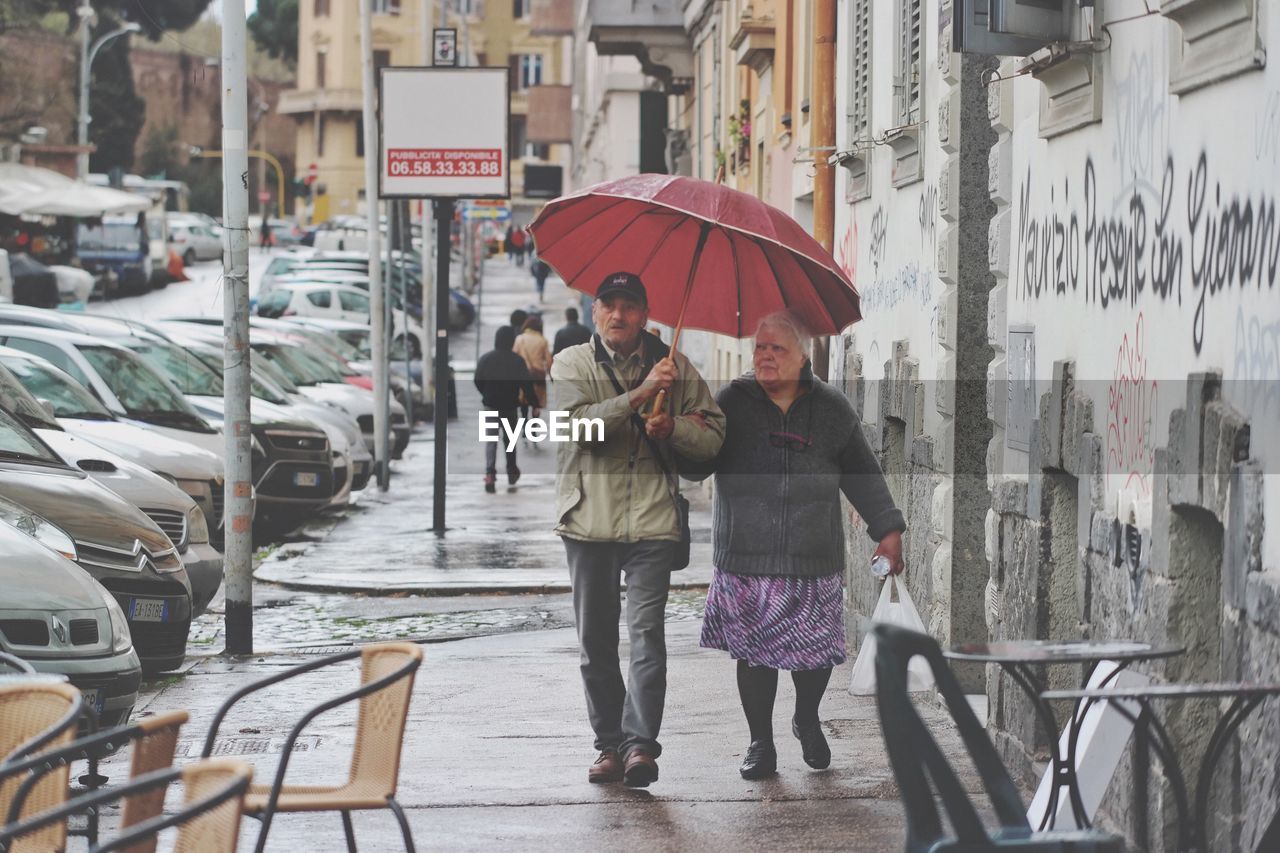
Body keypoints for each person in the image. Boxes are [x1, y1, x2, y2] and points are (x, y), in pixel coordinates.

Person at [690, 310, 905, 781]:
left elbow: (862, 474)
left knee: (814, 655)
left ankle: (806, 716)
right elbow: (695, 465)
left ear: (803, 354)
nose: (765, 356)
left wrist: (887, 529)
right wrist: (678, 430)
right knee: (754, 654)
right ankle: (760, 742)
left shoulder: (831, 408)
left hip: (813, 556)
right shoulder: (732, 401)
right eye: (760, 347)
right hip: (746, 555)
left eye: (777, 348)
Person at [551, 271, 726, 789]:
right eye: (609, 305)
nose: (619, 315)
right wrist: (639, 396)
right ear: (593, 311)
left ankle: (640, 747)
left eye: (629, 306)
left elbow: (714, 437)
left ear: (645, 315)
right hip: (588, 521)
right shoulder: (571, 363)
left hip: (652, 521)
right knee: (596, 642)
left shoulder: (676, 366)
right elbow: (572, 427)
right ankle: (609, 744)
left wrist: (675, 427)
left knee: (647, 635)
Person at [474, 326, 538, 493]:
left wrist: (486, 394)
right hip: (510, 406)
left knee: (491, 441)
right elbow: (527, 385)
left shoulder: (485, 359)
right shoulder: (517, 361)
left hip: (490, 406)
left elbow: (477, 381)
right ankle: (511, 470)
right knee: (510, 440)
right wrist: (534, 403)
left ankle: (490, 473)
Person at [512, 314, 551, 412]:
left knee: (524, 399)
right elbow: (548, 360)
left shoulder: (519, 339)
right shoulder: (542, 340)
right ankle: (534, 420)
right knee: (536, 401)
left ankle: (525, 422)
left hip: (523, 373)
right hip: (538, 375)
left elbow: (514, 355)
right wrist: (550, 374)